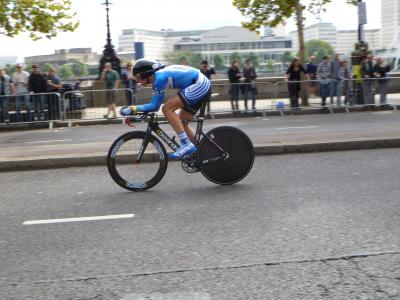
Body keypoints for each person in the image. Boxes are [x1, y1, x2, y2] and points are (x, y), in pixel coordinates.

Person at [120, 58, 211, 159]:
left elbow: (154, 106)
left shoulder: (159, 78)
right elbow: (151, 107)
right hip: (199, 84)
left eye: (138, 77)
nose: (139, 81)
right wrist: (135, 117)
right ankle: (203, 152)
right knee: (180, 123)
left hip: (199, 84)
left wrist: (132, 108)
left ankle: (186, 144)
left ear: (145, 73)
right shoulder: (158, 76)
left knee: (167, 109)